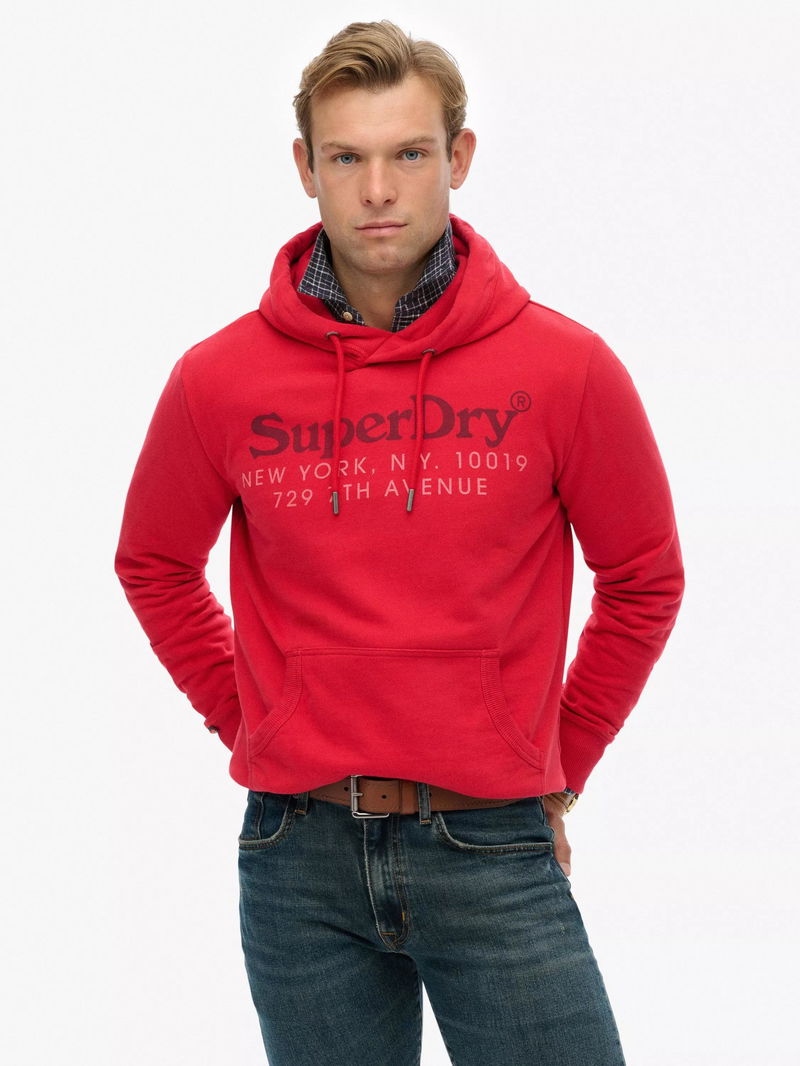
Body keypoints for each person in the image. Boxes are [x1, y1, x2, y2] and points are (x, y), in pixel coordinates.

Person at [114, 19, 684, 1066]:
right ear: (306, 169)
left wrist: (559, 762)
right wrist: (254, 717)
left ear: (457, 158)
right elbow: (152, 563)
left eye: (408, 154)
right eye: (347, 158)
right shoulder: (218, 379)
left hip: (491, 842)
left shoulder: (564, 369)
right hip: (296, 854)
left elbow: (643, 578)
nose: (378, 189)